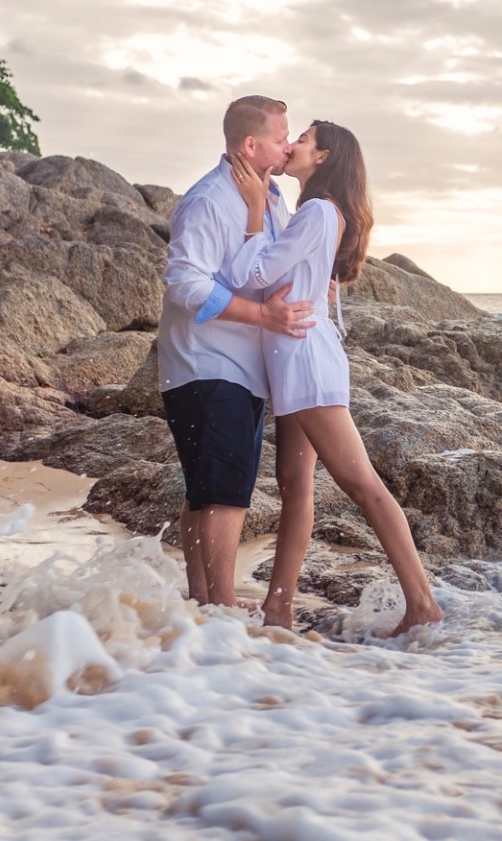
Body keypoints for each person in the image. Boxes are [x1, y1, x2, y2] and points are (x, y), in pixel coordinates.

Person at [225, 120, 444, 637]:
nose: (294, 143)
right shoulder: (316, 213)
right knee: (295, 486)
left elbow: (251, 277)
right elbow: (288, 278)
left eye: (303, 137)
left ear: (322, 157)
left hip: (305, 360)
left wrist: (254, 211)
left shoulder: (319, 212)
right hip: (298, 357)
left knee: (363, 485)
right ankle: (278, 608)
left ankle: (423, 604)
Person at [158, 95, 315, 608]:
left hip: (241, 369)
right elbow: (184, 281)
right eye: (279, 137)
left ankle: (202, 604)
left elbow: (264, 267)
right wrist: (260, 317)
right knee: (225, 493)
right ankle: (221, 609)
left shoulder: (270, 199)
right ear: (251, 144)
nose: (288, 145)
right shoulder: (209, 199)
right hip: (205, 365)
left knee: (205, 489)